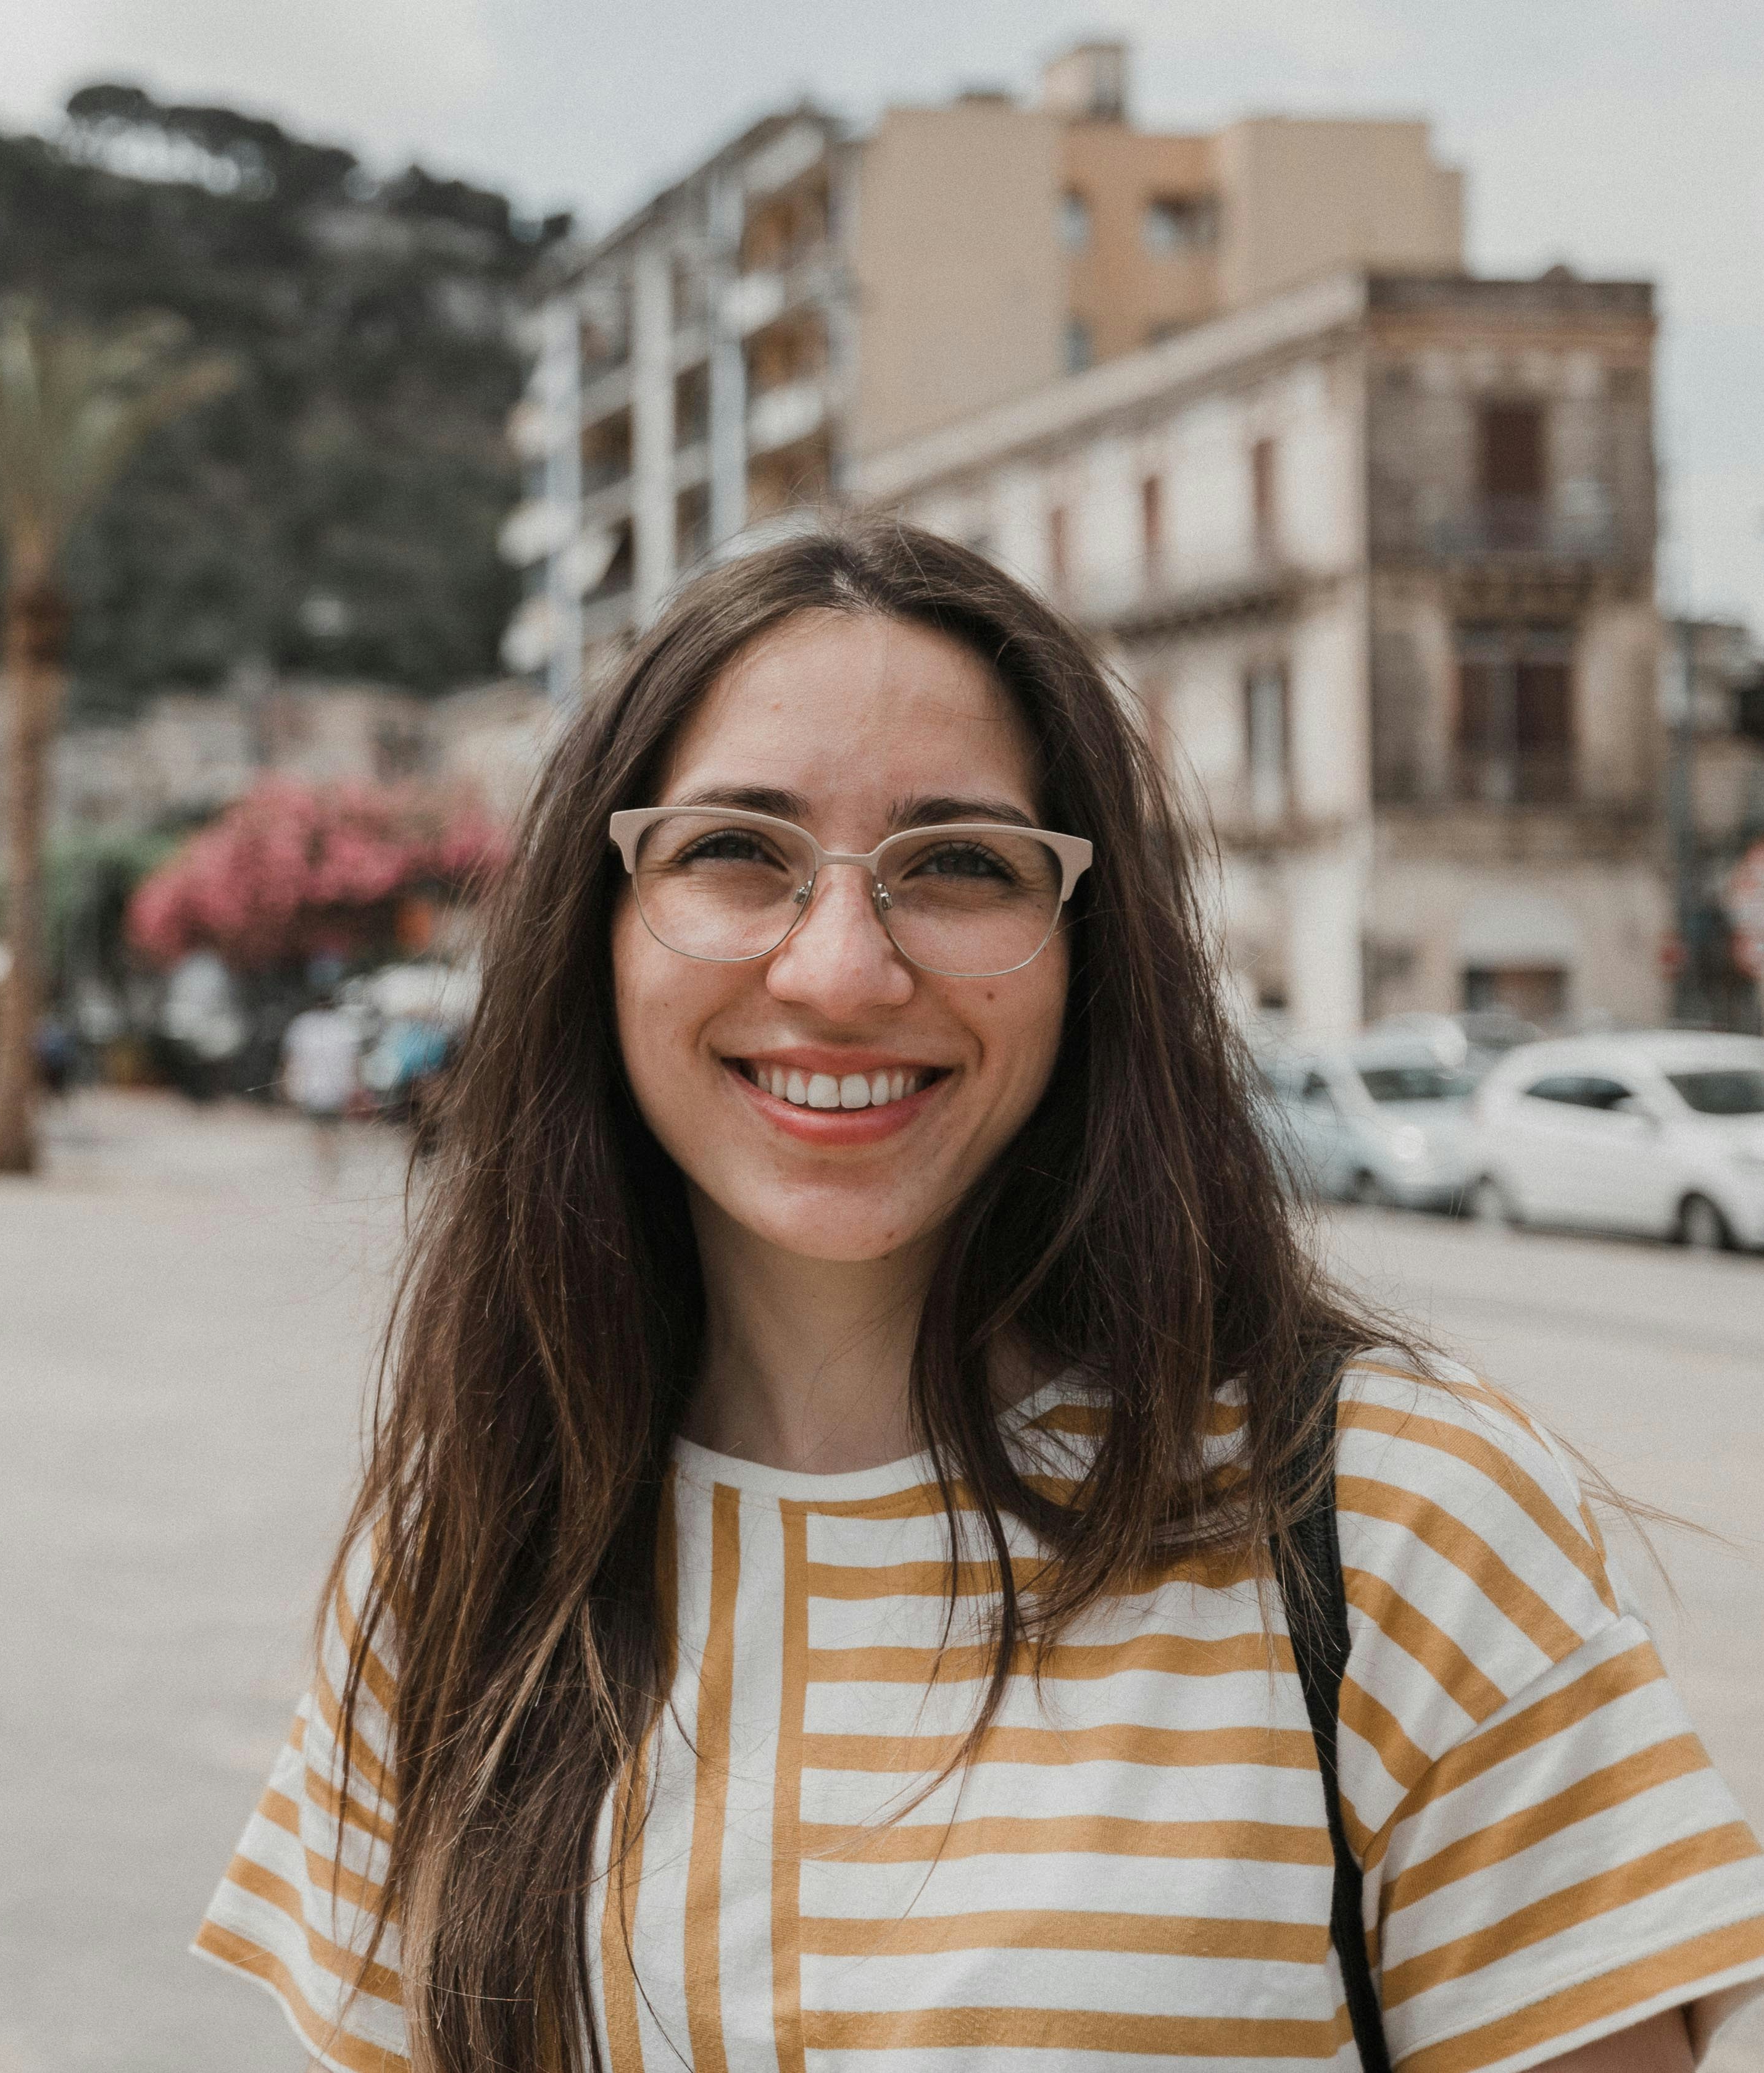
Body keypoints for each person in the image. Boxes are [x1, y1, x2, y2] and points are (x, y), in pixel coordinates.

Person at [193, 522, 1764, 2071]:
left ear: (1089, 951)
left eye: (956, 863)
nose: (838, 969)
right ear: (593, 932)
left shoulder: (1396, 1522)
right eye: (734, 849)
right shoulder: (465, 1547)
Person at [281, 995, 364, 1180]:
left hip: (314, 1086)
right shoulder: (345, 1025)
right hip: (338, 1086)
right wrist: (357, 1083)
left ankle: (325, 1163)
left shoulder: (303, 1025)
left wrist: (289, 1081)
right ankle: (332, 1162)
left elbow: (292, 1059)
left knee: (319, 1127)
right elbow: (355, 1060)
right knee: (333, 1126)